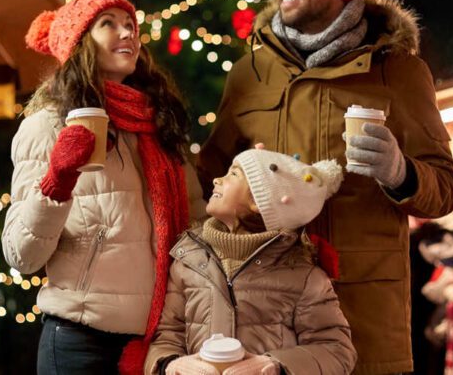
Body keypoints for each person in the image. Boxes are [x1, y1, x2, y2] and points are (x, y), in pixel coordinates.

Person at [198, 0, 453, 374]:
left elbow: (446, 188)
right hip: (268, 325)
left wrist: (400, 173)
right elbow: (207, 182)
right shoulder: (248, 74)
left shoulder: (397, 71)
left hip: (363, 316)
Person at [2, 0, 206, 375]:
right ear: (79, 43)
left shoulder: (160, 123)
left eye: (130, 25)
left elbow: (195, 230)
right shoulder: (46, 125)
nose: (126, 32)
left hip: (161, 341)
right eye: (108, 24)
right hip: (81, 341)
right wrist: (57, 182)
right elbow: (21, 256)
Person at [146, 147, 357, 374]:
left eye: (233, 174)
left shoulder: (304, 276)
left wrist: (277, 365)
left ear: (259, 200)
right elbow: (166, 337)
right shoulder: (188, 260)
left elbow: (337, 350)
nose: (217, 179)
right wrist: (171, 364)